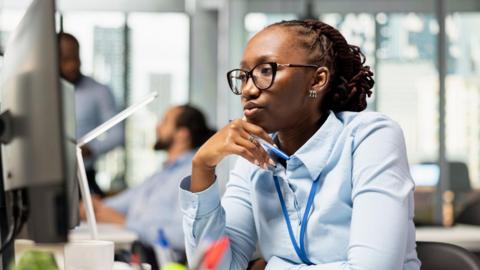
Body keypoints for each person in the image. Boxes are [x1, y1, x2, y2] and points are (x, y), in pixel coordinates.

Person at [179, 19, 420, 269]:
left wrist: (270, 267)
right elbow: (214, 267)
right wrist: (202, 167)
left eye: (266, 70)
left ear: (317, 80)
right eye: (244, 76)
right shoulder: (255, 155)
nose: (248, 90)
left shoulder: (370, 137)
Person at [81, 104, 215, 254]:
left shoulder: (193, 176)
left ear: (182, 134)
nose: (157, 126)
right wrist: (92, 206)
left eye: (164, 121)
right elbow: (121, 202)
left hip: (157, 260)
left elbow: (184, 237)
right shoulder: (161, 174)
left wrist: (125, 223)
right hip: (134, 251)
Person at [58, 32, 124, 197]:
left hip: (84, 179)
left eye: (76, 57)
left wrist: (91, 149)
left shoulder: (99, 91)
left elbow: (118, 135)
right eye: (66, 59)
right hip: (44, 180)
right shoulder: (37, 91)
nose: (73, 65)